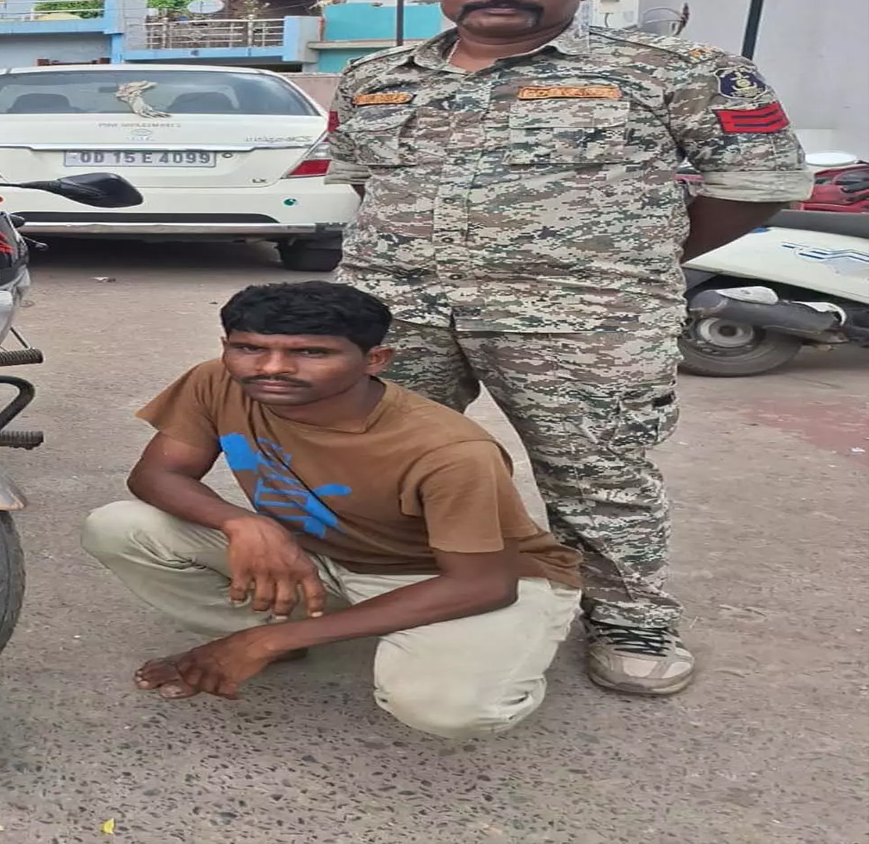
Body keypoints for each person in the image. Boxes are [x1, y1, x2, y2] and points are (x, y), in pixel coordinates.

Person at [324, 0, 812, 695]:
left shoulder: (676, 70)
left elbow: (756, 187)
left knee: (596, 474)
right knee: (378, 460)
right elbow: (367, 183)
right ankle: (392, 592)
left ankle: (629, 621)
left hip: (583, 318)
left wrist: (634, 256)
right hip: (398, 309)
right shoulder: (376, 77)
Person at [82, 282, 584, 741]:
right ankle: (294, 630)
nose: (272, 367)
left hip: (458, 578)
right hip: (321, 556)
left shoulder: (448, 449)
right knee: (120, 528)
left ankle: (506, 654)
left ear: (375, 359)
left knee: (449, 710)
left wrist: (266, 640)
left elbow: (482, 584)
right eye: (249, 348)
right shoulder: (216, 382)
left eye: (310, 353)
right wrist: (245, 523)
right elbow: (156, 475)